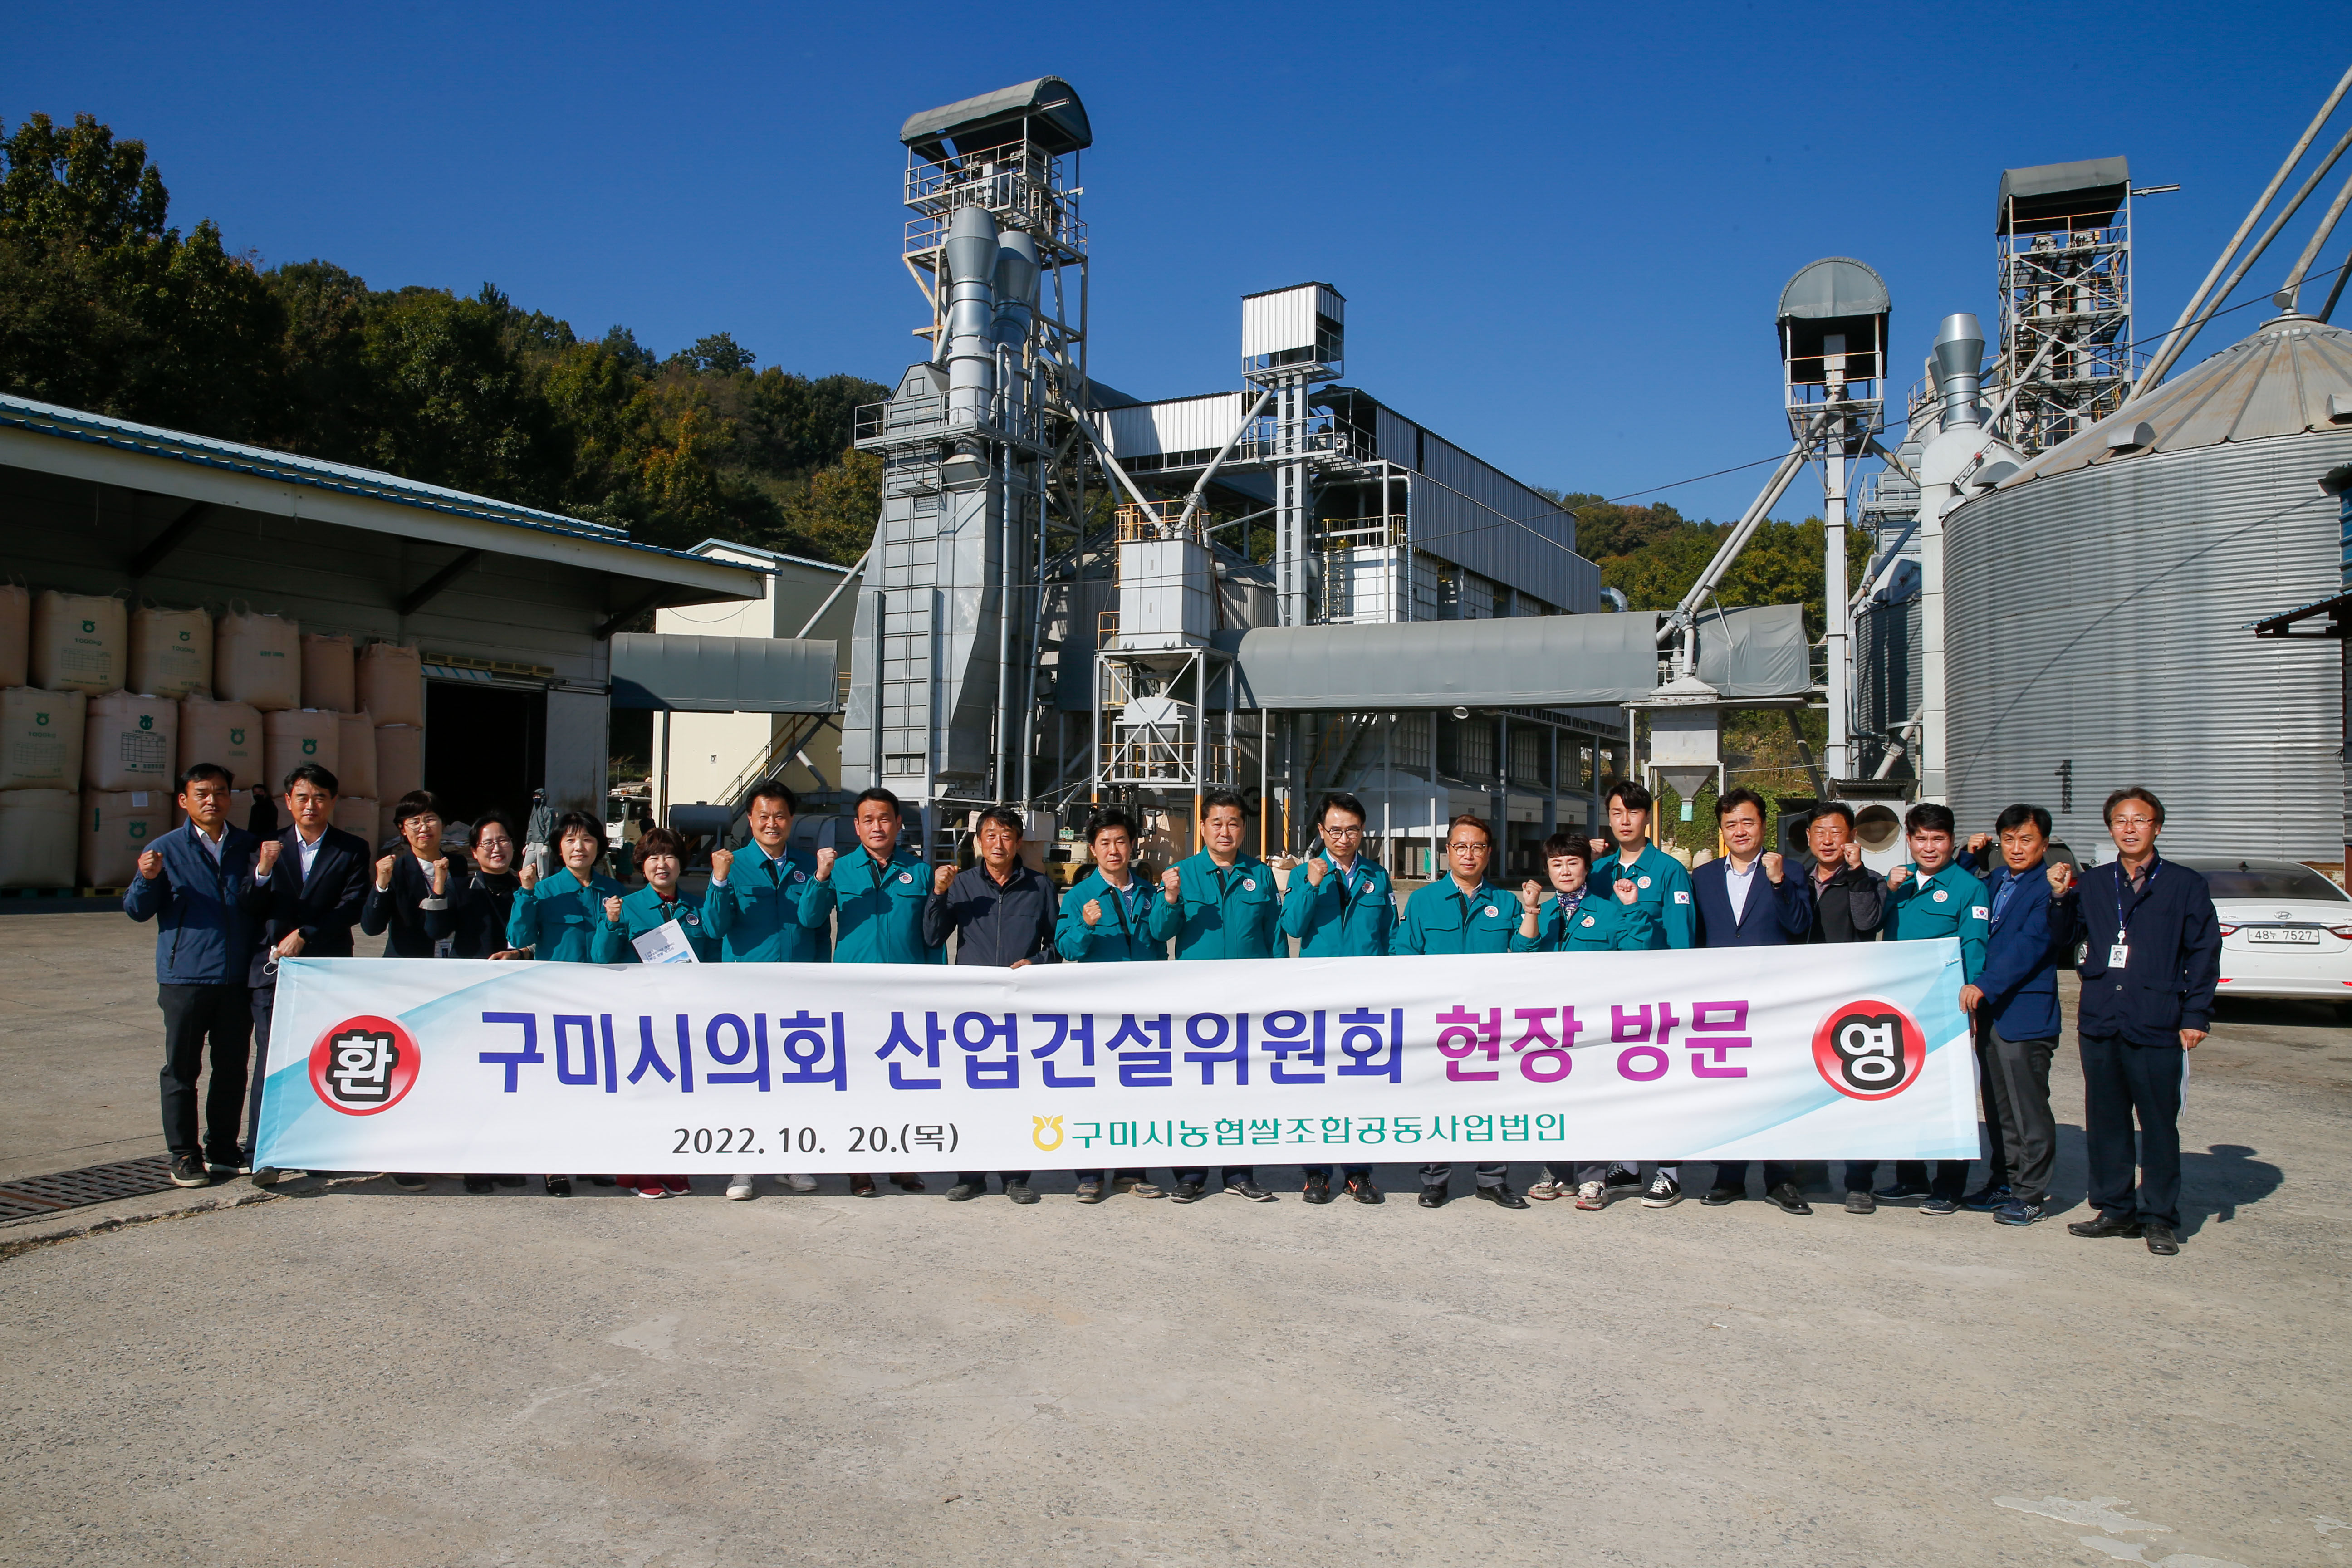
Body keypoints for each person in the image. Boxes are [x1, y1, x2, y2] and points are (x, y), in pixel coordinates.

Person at [2058, 788, 2220, 1257]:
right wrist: (2059, 899)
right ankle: (2115, 1209)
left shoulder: (2185, 884)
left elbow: (2204, 952)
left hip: (2157, 1019)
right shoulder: (2094, 882)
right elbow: (2065, 940)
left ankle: (2160, 1217)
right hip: (2101, 1019)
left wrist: (2196, 1014)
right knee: (2106, 1121)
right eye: (2120, 821)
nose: (2129, 829)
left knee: (2158, 1124)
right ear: (2110, 828)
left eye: (2139, 820)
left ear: (2157, 827)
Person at [124, 763, 263, 1189]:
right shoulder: (164, 849)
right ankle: (184, 1154)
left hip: (237, 979)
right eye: (202, 793)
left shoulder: (250, 847)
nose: (212, 800)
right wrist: (147, 879)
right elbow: (137, 910)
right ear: (184, 800)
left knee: (232, 1068)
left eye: (220, 792)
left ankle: (223, 1148)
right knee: (182, 1070)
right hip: (185, 977)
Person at [1149, 790, 1280, 1204]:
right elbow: (1159, 931)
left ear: (1244, 829)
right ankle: (1190, 1174)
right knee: (1195, 1086)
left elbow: (1275, 936)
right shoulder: (1182, 874)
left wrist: (1280, 989)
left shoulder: (1260, 875)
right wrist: (1170, 898)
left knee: (1243, 1085)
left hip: (1248, 999)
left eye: (1234, 823)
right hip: (1197, 1001)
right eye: (1217, 823)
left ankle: (1239, 1172)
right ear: (1203, 828)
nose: (1225, 831)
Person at [241, 763, 370, 1187]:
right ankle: (264, 1152)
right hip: (274, 968)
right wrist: (263, 871)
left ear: (332, 802)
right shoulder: (267, 846)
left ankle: (317, 1147)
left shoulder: (351, 849)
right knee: (272, 1058)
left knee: (322, 1058)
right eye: (302, 797)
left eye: (319, 797)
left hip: (326, 969)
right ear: (288, 801)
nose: (310, 805)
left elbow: (351, 906)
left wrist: (306, 934)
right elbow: (248, 905)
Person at [1512, 832, 1657, 1207]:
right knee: (1552, 1098)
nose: (1565, 871)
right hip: (1549, 1025)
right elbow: (1520, 956)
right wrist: (1531, 910)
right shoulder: (1544, 913)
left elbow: (1637, 953)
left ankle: (1594, 1177)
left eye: (1573, 863)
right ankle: (1558, 1171)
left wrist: (1632, 907)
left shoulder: (1609, 910)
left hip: (1594, 1024)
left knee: (1592, 1099)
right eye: (1557, 864)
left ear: (1587, 868)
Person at [803, 787, 935, 1196]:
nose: (877, 827)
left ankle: (902, 1162)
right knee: (858, 1082)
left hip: (906, 996)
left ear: (898, 824)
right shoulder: (840, 870)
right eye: (868, 820)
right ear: (857, 827)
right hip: (854, 995)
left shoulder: (920, 872)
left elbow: (931, 938)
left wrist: (935, 990)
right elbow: (809, 918)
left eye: (885, 819)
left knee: (904, 1081)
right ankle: (859, 1166)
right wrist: (821, 877)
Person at [701, 781, 830, 1199]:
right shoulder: (732, 864)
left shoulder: (807, 865)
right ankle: (742, 1168)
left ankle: (790, 1161)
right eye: (763, 816)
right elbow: (714, 928)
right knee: (746, 1079)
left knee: (794, 1078)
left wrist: (821, 981)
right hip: (747, 993)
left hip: (797, 992)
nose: (772, 824)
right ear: (750, 820)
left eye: (780, 816)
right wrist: (719, 881)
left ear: (791, 820)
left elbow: (815, 925)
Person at [926, 807, 1057, 1205]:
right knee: (972, 1092)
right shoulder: (962, 884)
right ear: (979, 841)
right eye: (990, 835)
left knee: (1019, 1092)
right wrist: (938, 894)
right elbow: (933, 937)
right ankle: (971, 1176)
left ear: (1018, 842)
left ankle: (1016, 1176)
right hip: (972, 1009)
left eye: (1006, 836)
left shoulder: (1040, 886)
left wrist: (1037, 962)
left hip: (1021, 1007)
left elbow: (1059, 943)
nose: (998, 843)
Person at [1690, 789, 1813, 1211]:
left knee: (1777, 1087)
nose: (1739, 831)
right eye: (1731, 825)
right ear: (1721, 831)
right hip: (1723, 1000)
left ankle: (1781, 1179)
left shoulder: (1790, 870)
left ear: (1762, 825)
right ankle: (1729, 1177)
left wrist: (1779, 883)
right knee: (1730, 1090)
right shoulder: (1704, 877)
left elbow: (1800, 926)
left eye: (1747, 822)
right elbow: (1697, 938)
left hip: (1775, 999)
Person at [1398, 813, 1527, 1210]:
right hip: (1439, 1023)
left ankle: (1493, 1179)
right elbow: (1404, 955)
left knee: (1493, 1102)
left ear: (1489, 852)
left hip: (1492, 1022)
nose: (1468, 854)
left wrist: (1532, 913)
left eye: (1477, 847)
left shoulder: (1506, 902)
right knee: (1438, 1100)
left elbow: (1527, 957)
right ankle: (1435, 1180)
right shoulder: (1423, 900)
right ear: (1448, 851)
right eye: (1460, 846)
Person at [1954, 804, 2074, 1229]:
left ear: (2045, 843)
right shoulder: (1997, 880)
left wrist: (1985, 985)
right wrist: (1968, 856)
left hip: (2025, 1014)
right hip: (1991, 1014)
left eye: (2026, 840)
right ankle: (2003, 1181)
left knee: (2028, 1109)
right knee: (1998, 1106)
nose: (2017, 848)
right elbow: (1959, 888)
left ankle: (2031, 1194)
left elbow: (2033, 943)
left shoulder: (2050, 887)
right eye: (2008, 840)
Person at [1278, 792, 1397, 1204]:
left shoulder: (1377, 876)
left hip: (1366, 1000)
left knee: (1361, 1087)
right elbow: (1293, 926)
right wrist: (1312, 885)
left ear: (1362, 832)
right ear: (1321, 831)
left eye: (1352, 830)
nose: (1343, 838)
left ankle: (1358, 1172)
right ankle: (1316, 1173)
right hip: (1319, 999)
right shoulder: (1304, 873)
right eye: (1335, 830)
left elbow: (1390, 934)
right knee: (1317, 1086)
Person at [1872, 803, 1991, 1215]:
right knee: (1906, 1093)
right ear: (1909, 840)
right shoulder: (1898, 882)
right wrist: (1887, 891)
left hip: (1946, 1008)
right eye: (1921, 838)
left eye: (1938, 839)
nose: (1929, 847)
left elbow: (1975, 946)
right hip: (1901, 1007)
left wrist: (1972, 1003)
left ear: (1952, 841)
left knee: (1949, 1098)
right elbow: (1871, 927)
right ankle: (1911, 1177)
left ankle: (1950, 1186)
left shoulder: (1969, 887)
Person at [506, 810, 632, 1198]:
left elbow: (616, 950)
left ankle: (591, 1158)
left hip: (603, 1001)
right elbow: (519, 937)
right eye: (571, 840)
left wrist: (613, 921)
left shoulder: (615, 891)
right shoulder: (545, 890)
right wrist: (526, 893)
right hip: (556, 1002)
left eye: (588, 840)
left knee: (598, 1082)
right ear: (559, 849)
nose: (580, 847)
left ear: (600, 847)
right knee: (557, 1085)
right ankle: (554, 1163)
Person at [1588, 779, 1695, 1208]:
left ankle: (1669, 1172)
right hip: (1609, 997)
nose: (1625, 821)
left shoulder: (1669, 871)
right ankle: (1629, 1164)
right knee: (1618, 1081)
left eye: (1633, 812)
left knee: (1662, 1083)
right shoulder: (1599, 872)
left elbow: (1682, 939)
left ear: (1647, 817)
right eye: (1617, 813)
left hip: (1656, 996)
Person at [590, 825, 709, 1199]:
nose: (662, 864)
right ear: (642, 865)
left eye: (670, 856)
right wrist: (611, 924)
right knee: (643, 1093)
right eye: (654, 857)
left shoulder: (697, 906)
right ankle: (639, 1170)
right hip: (641, 1015)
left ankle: (672, 1165)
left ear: (681, 864)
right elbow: (601, 958)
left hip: (684, 1016)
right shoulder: (626, 906)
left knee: (680, 1092)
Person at [1054, 807, 1164, 1202]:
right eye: (1105, 843)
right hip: (1098, 1011)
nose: (1114, 850)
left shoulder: (1150, 893)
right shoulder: (1079, 896)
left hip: (1144, 1010)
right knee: (1094, 1090)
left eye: (1121, 841)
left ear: (1133, 846)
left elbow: (1162, 939)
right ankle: (1090, 1174)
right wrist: (1085, 924)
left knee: (1140, 1091)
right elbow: (1067, 948)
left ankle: (1133, 1172)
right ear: (1093, 849)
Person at [1796, 803, 1889, 1214]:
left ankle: (1859, 1181)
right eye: (1820, 832)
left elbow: (1867, 923)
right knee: (1806, 1091)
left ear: (1851, 837)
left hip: (1852, 1001)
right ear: (1809, 837)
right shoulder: (1797, 877)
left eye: (1836, 832)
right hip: (1804, 999)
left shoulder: (1869, 880)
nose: (1828, 840)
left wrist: (1856, 875)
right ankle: (1811, 1171)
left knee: (1855, 1092)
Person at [437, 808, 532, 1196]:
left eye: (504, 840)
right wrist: (439, 890)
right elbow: (437, 930)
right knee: (474, 1082)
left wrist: (521, 955)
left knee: (510, 1083)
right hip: (473, 998)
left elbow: (539, 940)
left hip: (519, 998)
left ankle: (504, 1157)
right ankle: (473, 1161)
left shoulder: (526, 887)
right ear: (475, 851)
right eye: (488, 843)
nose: (497, 848)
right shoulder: (462, 887)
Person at [360, 792, 454, 959]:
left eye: (430, 819)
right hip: (408, 964)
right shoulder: (396, 871)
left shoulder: (458, 865)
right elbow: (372, 928)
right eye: (415, 822)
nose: (424, 828)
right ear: (402, 829)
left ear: (443, 823)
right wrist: (381, 886)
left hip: (454, 963)